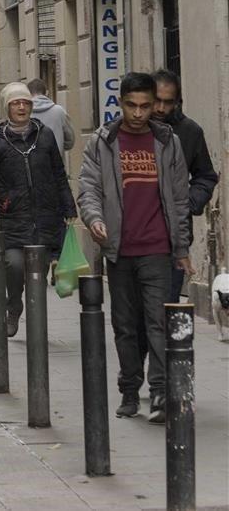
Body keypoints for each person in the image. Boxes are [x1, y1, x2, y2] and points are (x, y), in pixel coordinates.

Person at [78, 72, 191, 423]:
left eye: (145, 106)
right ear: (121, 102)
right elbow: (89, 188)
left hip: (158, 248)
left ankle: (159, 393)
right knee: (125, 325)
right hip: (120, 249)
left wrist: (182, 247)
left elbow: (180, 197)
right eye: (132, 105)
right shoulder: (103, 141)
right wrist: (95, 220)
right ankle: (129, 389)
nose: (140, 113)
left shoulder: (167, 141)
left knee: (158, 321)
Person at [0, 82, 76, 337]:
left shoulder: (45, 135)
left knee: (37, 272)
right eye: (16, 103)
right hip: (14, 217)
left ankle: (37, 328)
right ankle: (14, 305)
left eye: (25, 103)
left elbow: (59, 174)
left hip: (45, 217)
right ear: (7, 107)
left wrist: (69, 206)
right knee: (14, 265)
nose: (21, 107)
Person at [151, 69, 219, 303]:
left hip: (173, 236)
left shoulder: (189, 132)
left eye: (168, 102)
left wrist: (188, 204)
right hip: (135, 236)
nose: (160, 108)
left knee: (167, 307)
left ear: (177, 103)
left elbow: (206, 176)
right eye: (156, 100)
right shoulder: (133, 129)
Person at [27, 78, 75, 160]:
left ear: (28, 94)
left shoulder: (24, 113)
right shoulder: (59, 111)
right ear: (47, 92)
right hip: (56, 166)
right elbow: (70, 141)